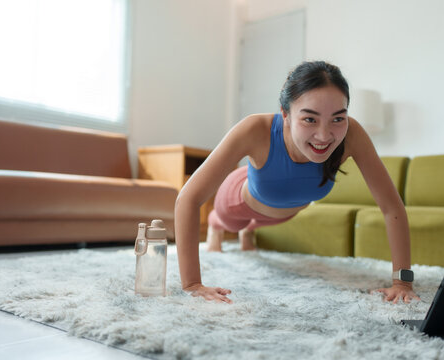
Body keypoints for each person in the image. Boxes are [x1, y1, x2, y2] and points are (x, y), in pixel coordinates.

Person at [174, 61, 420, 305]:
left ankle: (248, 233)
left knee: (254, 225)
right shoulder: (255, 129)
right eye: (310, 119)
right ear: (285, 114)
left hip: (284, 213)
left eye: (337, 118)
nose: (324, 136)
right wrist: (192, 284)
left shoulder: (352, 134)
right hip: (238, 200)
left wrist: (403, 283)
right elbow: (188, 198)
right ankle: (220, 227)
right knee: (227, 221)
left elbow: (392, 207)